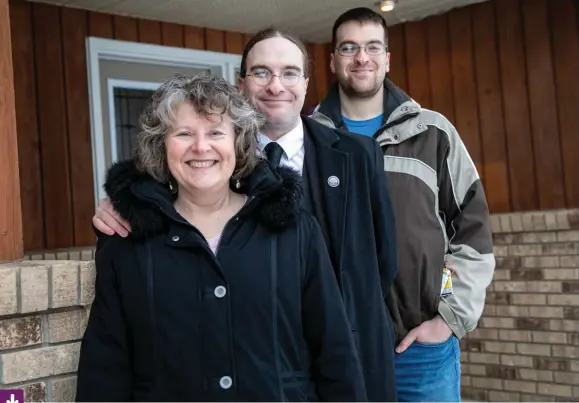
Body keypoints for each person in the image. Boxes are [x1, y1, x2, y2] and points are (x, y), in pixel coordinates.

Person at [92, 29, 399, 402]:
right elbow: (106, 364)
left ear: (236, 143)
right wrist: (125, 202)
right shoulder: (131, 239)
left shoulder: (319, 200)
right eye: (184, 133)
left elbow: (382, 263)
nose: (201, 146)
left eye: (215, 133)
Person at [309, 7, 496, 402]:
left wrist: (447, 315)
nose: (362, 58)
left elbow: (471, 229)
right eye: (349, 47)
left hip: (421, 349)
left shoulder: (432, 133)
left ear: (387, 59)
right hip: (338, 350)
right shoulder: (308, 140)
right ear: (333, 60)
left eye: (373, 47)